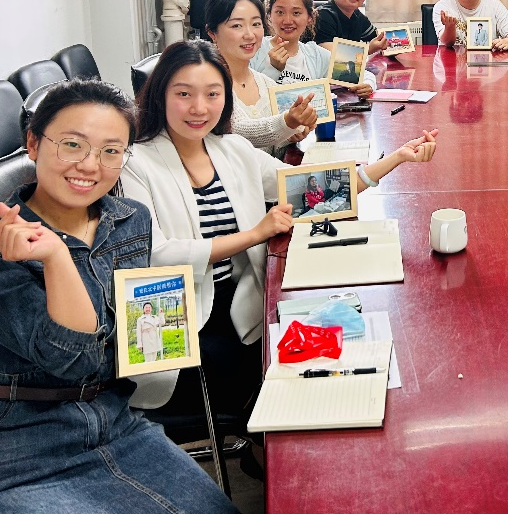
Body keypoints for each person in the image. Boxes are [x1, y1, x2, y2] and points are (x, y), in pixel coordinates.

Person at [0, 79, 235, 512]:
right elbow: (73, 361)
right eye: (72, 144)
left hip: (114, 421)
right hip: (14, 444)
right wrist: (56, 257)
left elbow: (133, 331)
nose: (90, 165)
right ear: (34, 144)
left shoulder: (130, 219)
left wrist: (162, 334)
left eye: (111, 151)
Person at [122, 40, 438, 421]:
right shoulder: (135, 162)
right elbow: (154, 254)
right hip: (183, 320)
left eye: (212, 94)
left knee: (342, 334)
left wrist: (397, 158)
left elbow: (313, 188)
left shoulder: (231, 149)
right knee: (300, 370)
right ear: (160, 95)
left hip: (241, 304)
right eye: (184, 94)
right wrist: (256, 233)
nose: (199, 107)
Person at [205, 0, 318, 155]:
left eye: (256, 24)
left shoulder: (266, 83)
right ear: (212, 33)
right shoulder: (206, 83)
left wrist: (293, 133)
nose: (250, 35)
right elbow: (235, 132)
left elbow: (270, 144)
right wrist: (287, 123)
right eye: (237, 25)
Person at [250, 0, 375, 99]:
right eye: (280, 12)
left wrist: (368, 84)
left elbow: (364, 74)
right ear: (269, 15)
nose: (287, 20)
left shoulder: (316, 55)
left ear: (309, 17)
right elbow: (248, 99)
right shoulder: (254, 49)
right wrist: (273, 69)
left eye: (296, 13)